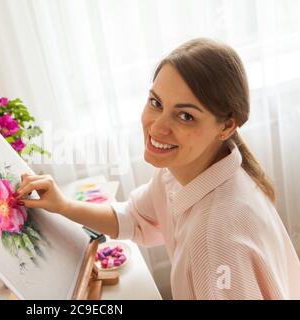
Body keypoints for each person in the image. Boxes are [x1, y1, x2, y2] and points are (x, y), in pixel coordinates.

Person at [15, 38, 300, 300]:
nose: (158, 126)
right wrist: (63, 206)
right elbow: (134, 217)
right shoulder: (178, 173)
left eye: (185, 116)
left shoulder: (216, 235)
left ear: (226, 126)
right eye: (156, 103)